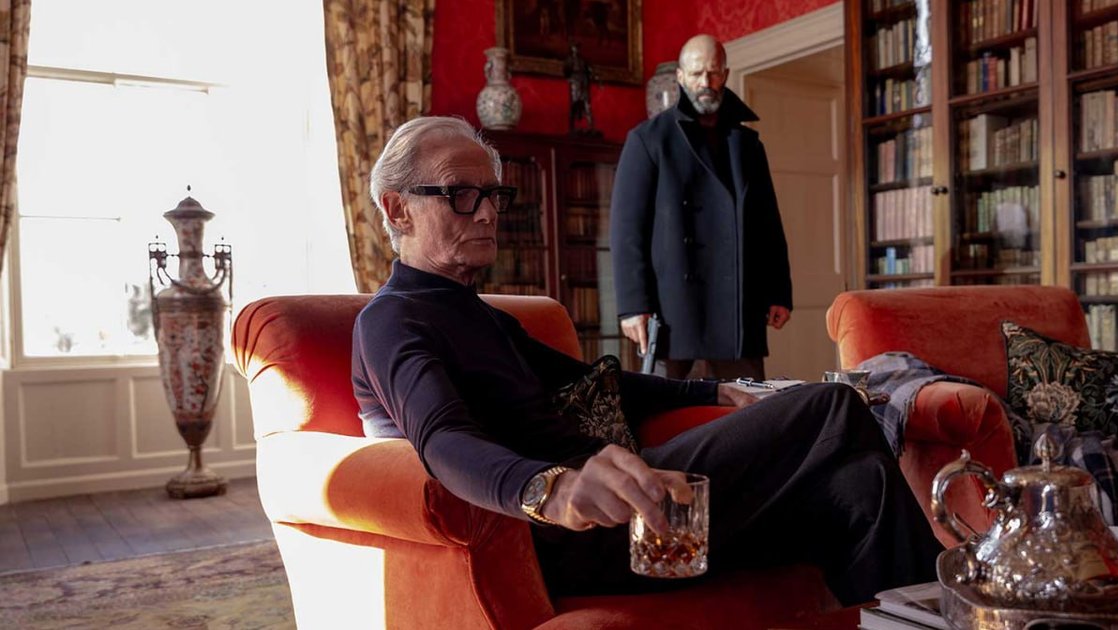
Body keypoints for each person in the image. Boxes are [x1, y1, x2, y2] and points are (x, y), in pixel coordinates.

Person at [352, 115, 941, 605]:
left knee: (859, 485)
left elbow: (595, 381)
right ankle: (956, 598)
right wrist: (553, 491)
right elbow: (442, 439)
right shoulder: (391, 321)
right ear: (398, 209)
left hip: (626, 501)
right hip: (574, 530)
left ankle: (922, 617)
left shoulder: (481, 316)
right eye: (460, 194)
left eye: (492, 195)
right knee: (834, 404)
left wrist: (712, 392)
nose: (486, 213)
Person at [610, 34, 792, 381]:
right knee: (664, 409)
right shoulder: (649, 139)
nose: (705, 82)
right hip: (671, 309)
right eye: (696, 74)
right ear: (680, 77)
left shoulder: (749, 144)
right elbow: (626, 231)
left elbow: (768, 225)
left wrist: (778, 291)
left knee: (750, 408)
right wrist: (632, 305)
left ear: (725, 74)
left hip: (738, 309)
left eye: (713, 72)